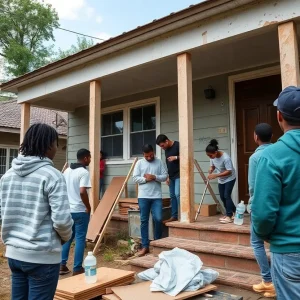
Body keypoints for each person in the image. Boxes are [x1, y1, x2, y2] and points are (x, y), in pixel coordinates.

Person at [0, 123, 73, 300]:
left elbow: (4, 214)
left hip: (14, 254)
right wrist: (65, 238)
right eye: (56, 144)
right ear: (49, 145)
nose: (56, 148)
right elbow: (62, 221)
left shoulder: (7, 176)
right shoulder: (53, 175)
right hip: (42, 256)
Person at [252, 86, 300, 300]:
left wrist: (266, 236)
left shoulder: (271, 157)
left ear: (279, 116)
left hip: (289, 250)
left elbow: (262, 215)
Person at [248, 123, 275, 298]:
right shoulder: (278, 152)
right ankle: (277, 281)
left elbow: (253, 187)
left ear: (256, 137)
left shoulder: (255, 158)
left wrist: (251, 207)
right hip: (278, 205)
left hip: (260, 207)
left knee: (257, 243)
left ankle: (268, 280)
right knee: (275, 243)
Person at [60, 149, 92, 276]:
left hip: (68, 210)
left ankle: (62, 265)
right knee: (80, 239)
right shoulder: (83, 172)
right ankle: (77, 268)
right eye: (89, 157)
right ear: (85, 158)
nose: (90, 160)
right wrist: (88, 207)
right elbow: (82, 191)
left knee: (68, 238)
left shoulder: (67, 171)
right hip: (80, 210)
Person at [133, 144, 168, 257]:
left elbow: (165, 176)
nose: (149, 158)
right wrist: (145, 179)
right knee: (144, 220)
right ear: (143, 155)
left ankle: (157, 243)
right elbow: (135, 178)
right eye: (147, 156)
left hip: (156, 196)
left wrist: (154, 177)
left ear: (153, 152)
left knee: (158, 219)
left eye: (151, 155)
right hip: (143, 196)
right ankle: (145, 246)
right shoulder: (139, 163)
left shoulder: (159, 162)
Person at [206, 139, 236, 224]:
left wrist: (215, 175)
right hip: (221, 179)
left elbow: (229, 171)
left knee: (227, 195)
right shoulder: (212, 157)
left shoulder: (225, 158)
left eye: (211, 155)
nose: (210, 157)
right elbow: (213, 166)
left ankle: (229, 216)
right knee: (223, 197)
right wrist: (211, 169)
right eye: (208, 156)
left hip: (230, 178)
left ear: (216, 152)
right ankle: (233, 212)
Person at [156, 134, 180, 223]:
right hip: (171, 176)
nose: (162, 148)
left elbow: (186, 157)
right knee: (172, 196)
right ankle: (174, 216)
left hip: (180, 174)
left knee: (178, 194)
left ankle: (183, 215)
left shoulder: (177, 145)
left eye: (162, 145)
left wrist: (176, 157)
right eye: (160, 146)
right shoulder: (166, 150)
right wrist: (167, 176)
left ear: (166, 141)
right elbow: (168, 164)